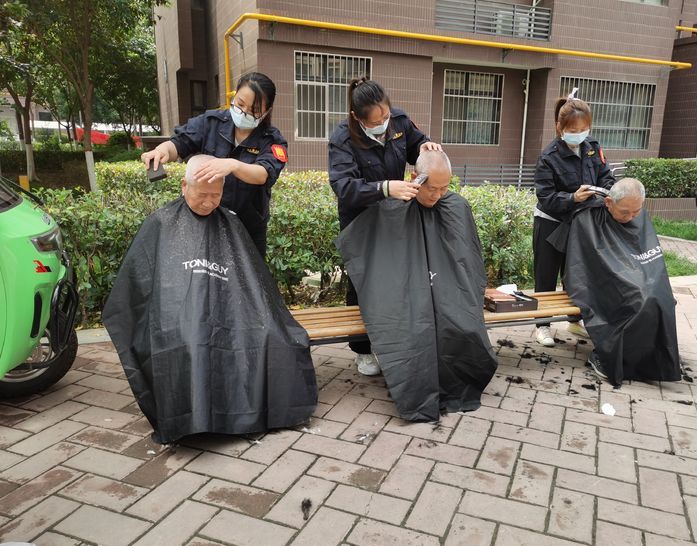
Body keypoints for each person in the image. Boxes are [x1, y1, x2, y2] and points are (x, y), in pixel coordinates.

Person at [103, 155, 318, 444]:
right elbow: (137, 287)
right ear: (184, 186)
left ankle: (244, 416)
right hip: (176, 315)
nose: (208, 202)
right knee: (189, 337)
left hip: (232, 310)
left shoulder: (231, 223)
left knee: (270, 334)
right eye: (202, 194)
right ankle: (191, 420)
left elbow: (251, 284)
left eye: (216, 195)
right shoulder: (161, 223)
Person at [335, 150, 497, 421]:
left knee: (460, 324)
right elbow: (379, 264)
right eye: (432, 188)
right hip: (406, 299)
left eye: (445, 188)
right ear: (415, 178)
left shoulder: (456, 207)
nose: (437, 195)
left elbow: (468, 262)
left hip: (448, 293)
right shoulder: (390, 211)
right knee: (413, 330)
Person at [329, 76, 442, 376]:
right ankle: (363, 350)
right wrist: (385, 188)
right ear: (357, 118)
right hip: (360, 222)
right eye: (375, 121)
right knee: (362, 284)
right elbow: (344, 186)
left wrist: (426, 146)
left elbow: (416, 145)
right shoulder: (342, 138)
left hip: (393, 217)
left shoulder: (399, 122)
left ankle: (392, 340)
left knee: (394, 281)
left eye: (386, 116)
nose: (383, 124)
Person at [141, 72, 287, 257]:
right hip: (203, 222)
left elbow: (263, 173)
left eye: (254, 110)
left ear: (266, 111)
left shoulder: (272, 139)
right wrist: (162, 150)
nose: (244, 112)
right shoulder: (211, 122)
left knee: (247, 274)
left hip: (247, 228)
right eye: (240, 104)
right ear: (234, 96)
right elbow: (180, 143)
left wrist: (233, 165)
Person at [562, 178, 681, 388]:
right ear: (608, 202)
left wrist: (641, 278)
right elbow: (584, 266)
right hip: (601, 281)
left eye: (636, 211)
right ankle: (608, 355)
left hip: (633, 276)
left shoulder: (637, 216)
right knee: (639, 301)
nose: (631, 217)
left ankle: (651, 359)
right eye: (625, 212)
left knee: (661, 298)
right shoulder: (588, 219)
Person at [533, 90, 615, 347]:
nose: (579, 134)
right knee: (546, 274)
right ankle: (542, 326)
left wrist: (608, 192)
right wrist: (572, 198)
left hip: (581, 222)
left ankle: (574, 319)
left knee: (577, 273)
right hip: (551, 222)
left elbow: (606, 176)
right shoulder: (548, 157)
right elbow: (546, 197)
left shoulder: (593, 148)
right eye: (573, 130)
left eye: (584, 129)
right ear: (560, 128)